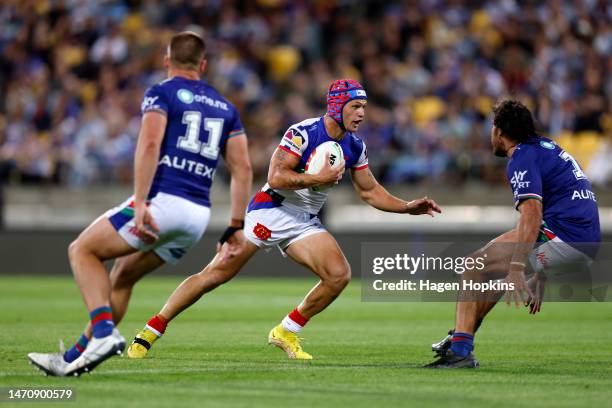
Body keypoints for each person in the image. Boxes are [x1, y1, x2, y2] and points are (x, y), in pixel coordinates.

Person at [127, 79, 441, 360]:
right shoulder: (302, 133)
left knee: (338, 274)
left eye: (364, 107)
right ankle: (152, 330)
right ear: (337, 106)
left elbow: (370, 191)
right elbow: (276, 177)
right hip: (270, 210)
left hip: (303, 220)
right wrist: (315, 177)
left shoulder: (355, 146)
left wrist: (407, 207)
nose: (361, 113)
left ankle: (286, 330)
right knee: (216, 274)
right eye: (355, 106)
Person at [27, 31, 252, 376]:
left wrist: (142, 201)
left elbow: (149, 145)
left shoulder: (161, 92)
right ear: (203, 65)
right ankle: (72, 359)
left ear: (167, 61)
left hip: (163, 202)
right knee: (122, 277)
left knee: (82, 251)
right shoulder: (226, 108)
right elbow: (243, 168)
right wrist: (236, 225)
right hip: (196, 218)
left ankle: (103, 333)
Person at [425, 100, 600, 368]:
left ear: (499, 132)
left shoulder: (521, 157)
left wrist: (518, 267)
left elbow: (532, 213)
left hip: (564, 236)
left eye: (491, 127)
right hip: (581, 238)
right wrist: (541, 272)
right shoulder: (546, 148)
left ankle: (460, 350)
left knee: (473, 266)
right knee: (488, 266)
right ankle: (461, 337)